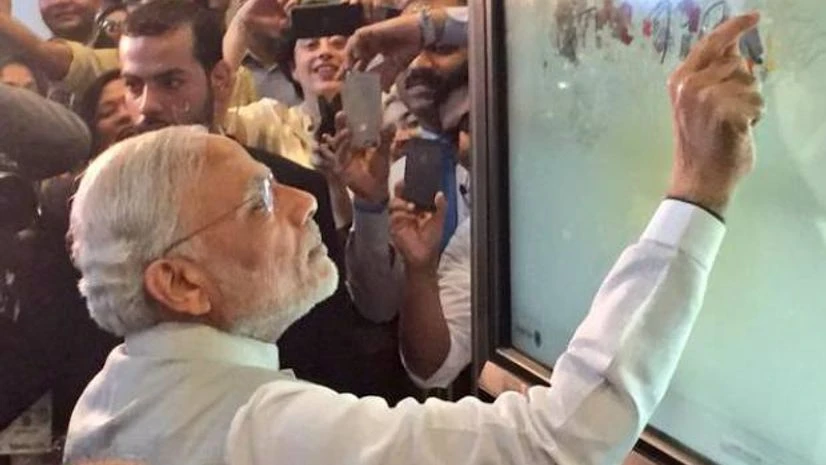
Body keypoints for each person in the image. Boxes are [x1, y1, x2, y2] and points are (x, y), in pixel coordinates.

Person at [65, 12, 763, 464]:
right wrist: (697, 194)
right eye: (260, 200)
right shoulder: (260, 431)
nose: (307, 201)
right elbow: (560, 442)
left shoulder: (114, 392)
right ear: (180, 282)